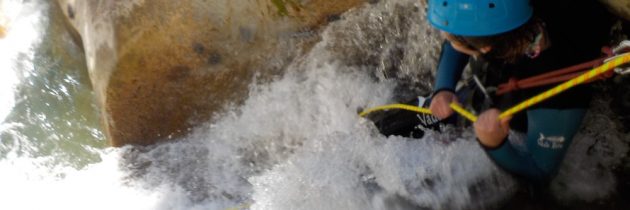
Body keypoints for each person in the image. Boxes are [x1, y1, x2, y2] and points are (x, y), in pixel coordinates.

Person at [426, 0, 614, 182]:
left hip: (519, 123)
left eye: (449, 34)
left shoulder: (558, 89)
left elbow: (540, 172)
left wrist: (494, 144)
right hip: (487, 90)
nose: (444, 36)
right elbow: (461, 37)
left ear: (485, 48)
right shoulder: (507, 15)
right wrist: (443, 88)